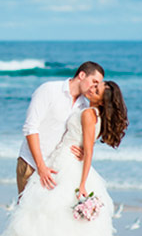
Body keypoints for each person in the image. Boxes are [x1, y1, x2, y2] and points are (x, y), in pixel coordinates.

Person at [0, 80, 128, 236]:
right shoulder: (92, 112)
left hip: (68, 166)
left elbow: (89, 151)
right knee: (58, 224)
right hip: (66, 161)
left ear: (104, 99)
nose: (92, 89)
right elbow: (87, 146)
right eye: (94, 85)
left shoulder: (88, 113)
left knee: (44, 221)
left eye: (97, 89)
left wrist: (81, 184)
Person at [17, 61, 104, 195]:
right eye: (94, 81)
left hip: (57, 169)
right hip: (32, 164)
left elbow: (80, 136)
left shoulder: (84, 106)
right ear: (82, 75)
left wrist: (82, 152)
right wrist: (41, 166)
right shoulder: (49, 90)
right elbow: (30, 128)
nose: (94, 87)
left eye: (97, 85)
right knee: (26, 212)